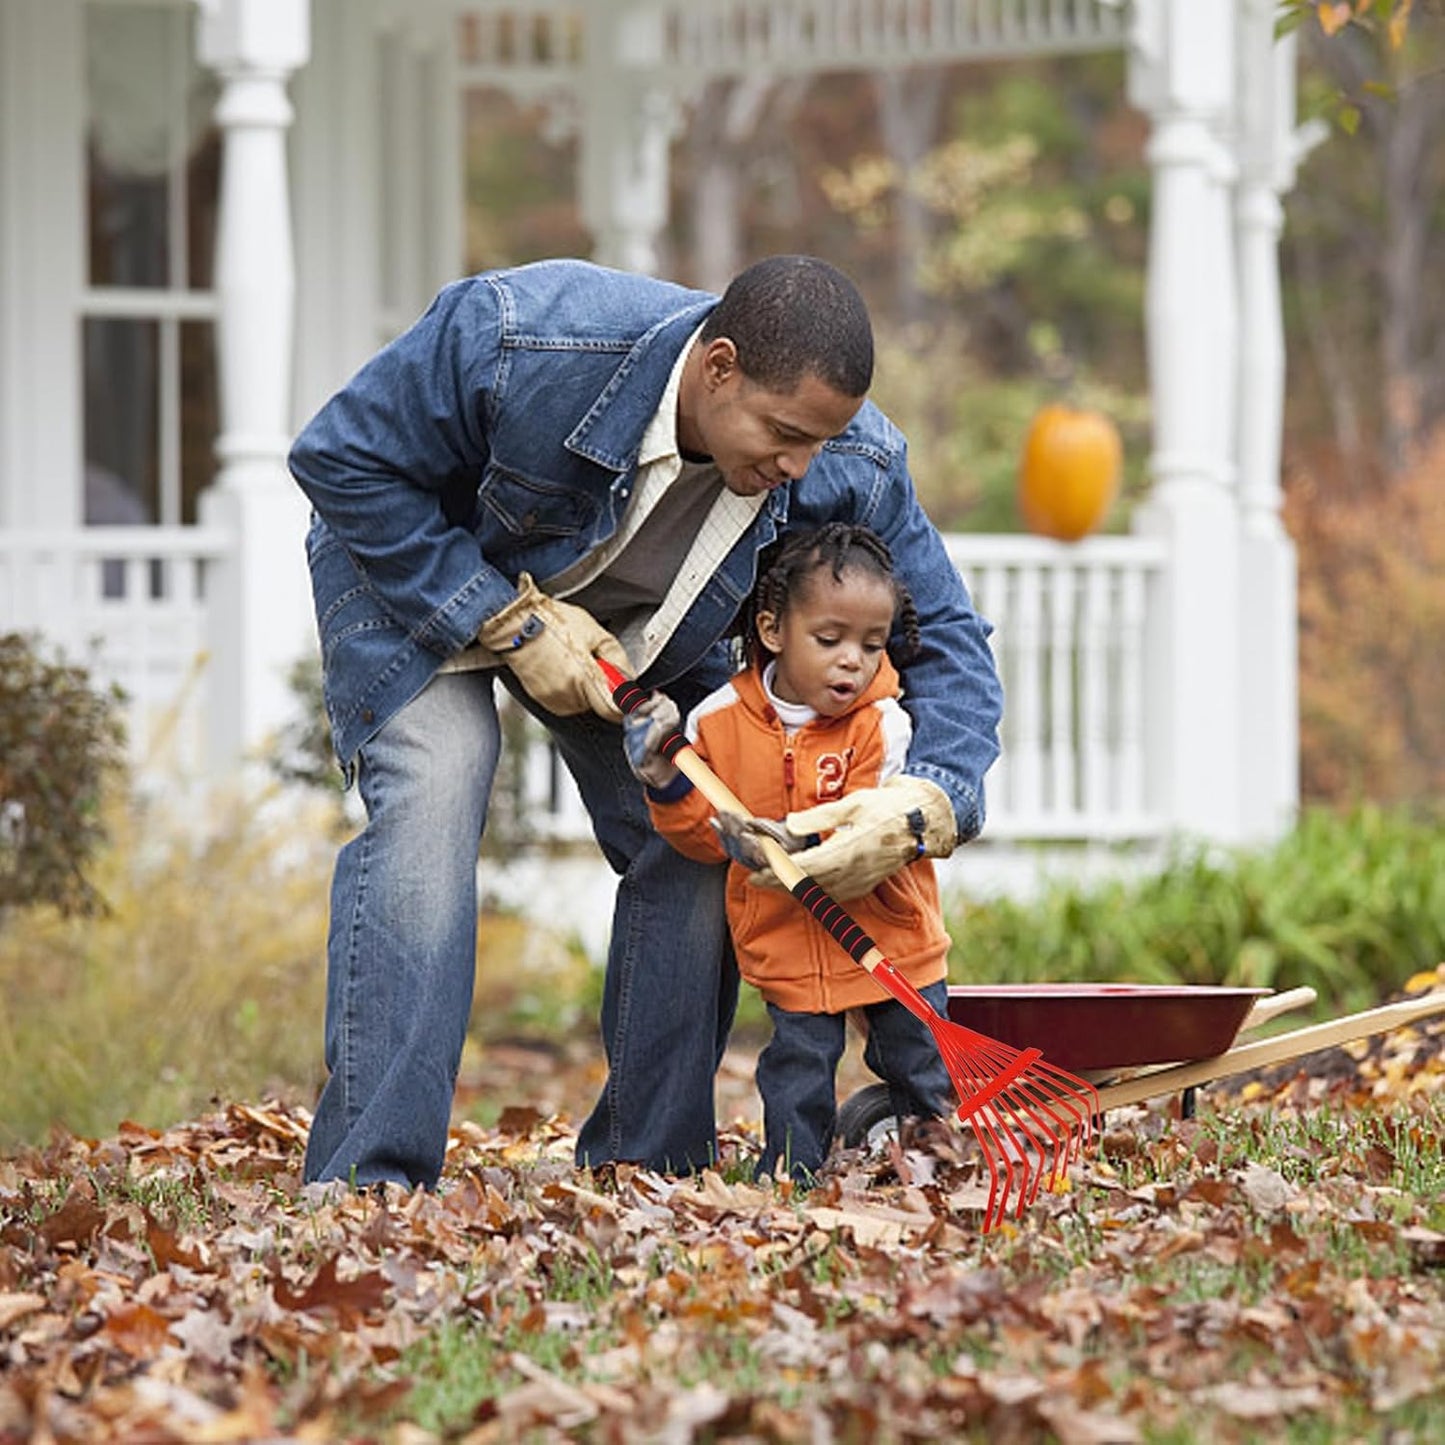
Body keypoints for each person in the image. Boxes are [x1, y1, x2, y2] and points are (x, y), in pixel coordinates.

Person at [287, 254, 1002, 1191]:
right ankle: (369, 1179)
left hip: (643, 636)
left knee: (712, 832)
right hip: (418, 571)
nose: (799, 467)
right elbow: (339, 454)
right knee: (438, 782)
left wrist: (928, 802)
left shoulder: (850, 459)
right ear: (717, 368)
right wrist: (498, 615)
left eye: (817, 443)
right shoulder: (518, 336)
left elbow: (944, 630)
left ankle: (644, 1164)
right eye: (783, 433)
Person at [623, 523, 956, 1182]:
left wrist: (796, 836)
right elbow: (699, 836)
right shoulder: (715, 723)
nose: (851, 661)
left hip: (887, 935)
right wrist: (664, 783)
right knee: (796, 1069)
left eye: (870, 644)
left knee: (919, 1060)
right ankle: (791, 1176)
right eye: (828, 639)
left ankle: (943, 1167)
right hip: (788, 942)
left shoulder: (881, 722)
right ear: (772, 630)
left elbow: (861, 825)